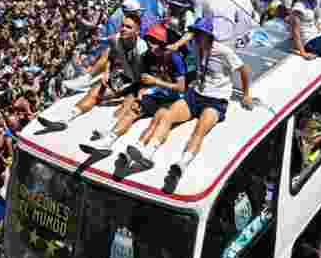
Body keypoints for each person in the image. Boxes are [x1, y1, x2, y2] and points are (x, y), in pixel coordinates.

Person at [124, 17, 253, 190]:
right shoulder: (196, 45)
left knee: (199, 130)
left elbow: (244, 70)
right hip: (196, 94)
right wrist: (176, 45)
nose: (196, 37)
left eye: (200, 34)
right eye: (196, 34)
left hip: (216, 100)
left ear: (208, 36)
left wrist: (247, 95)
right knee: (168, 115)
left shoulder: (223, 52)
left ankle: (181, 166)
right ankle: (149, 153)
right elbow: (189, 34)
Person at [80, 23, 187, 155]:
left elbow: (181, 88)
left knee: (154, 120)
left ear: (162, 43)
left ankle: (142, 149)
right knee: (133, 109)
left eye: (153, 41)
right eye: (148, 39)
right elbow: (144, 79)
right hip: (157, 93)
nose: (149, 43)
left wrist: (156, 82)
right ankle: (107, 141)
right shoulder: (148, 56)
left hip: (172, 99)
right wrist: (142, 91)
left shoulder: (174, 58)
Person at [38, 14, 148, 131]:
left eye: (129, 27)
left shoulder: (142, 49)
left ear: (137, 31)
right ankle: (65, 119)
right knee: (94, 92)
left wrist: (138, 91)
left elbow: (148, 74)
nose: (123, 29)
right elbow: (111, 56)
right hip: (125, 78)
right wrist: (107, 72)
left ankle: (108, 131)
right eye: (122, 25)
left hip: (140, 83)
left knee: (127, 105)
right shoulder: (116, 39)